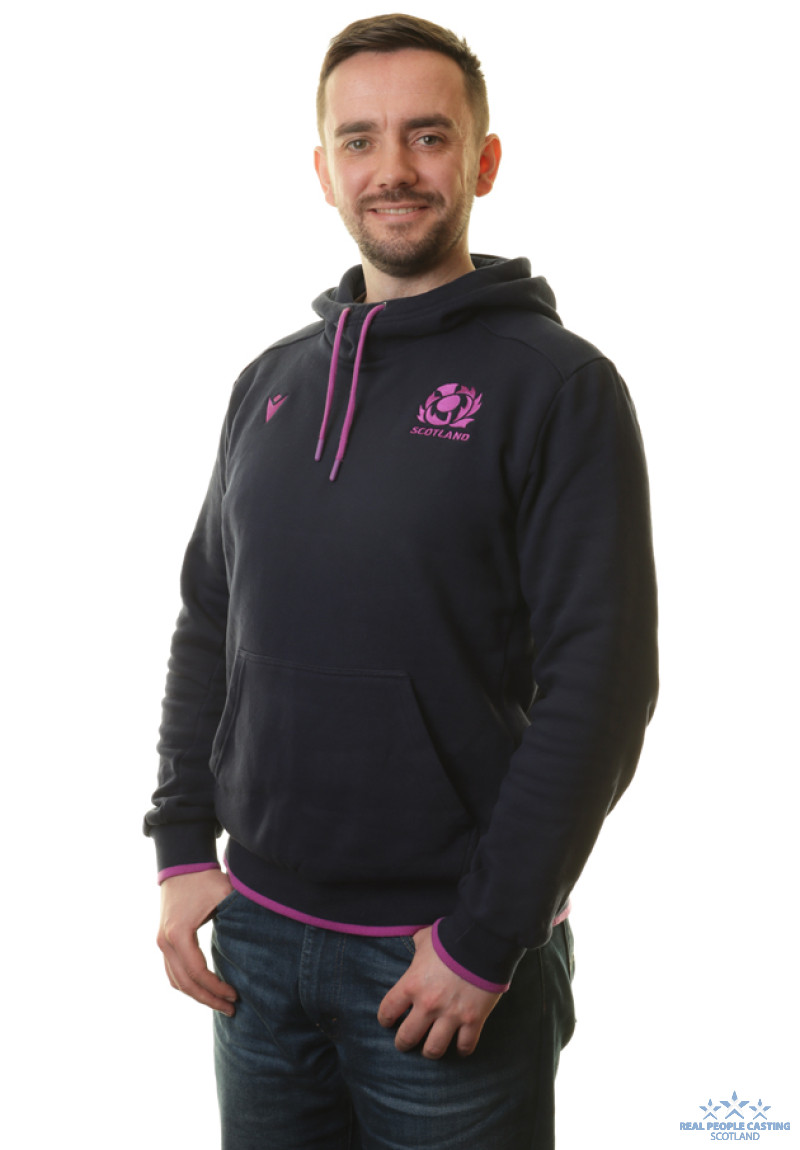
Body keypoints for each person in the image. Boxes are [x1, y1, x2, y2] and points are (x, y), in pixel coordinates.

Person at [144, 13, 658, 1149]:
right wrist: (180, 844)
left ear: (483, 159)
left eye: (428, 136)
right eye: (360, 140)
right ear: (323, 170)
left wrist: (485, 938)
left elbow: (602, 687)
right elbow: (208, 621)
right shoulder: (267, 382)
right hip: (254, 946)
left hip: (441, 956)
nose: (393, 169)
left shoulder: (557, 386)